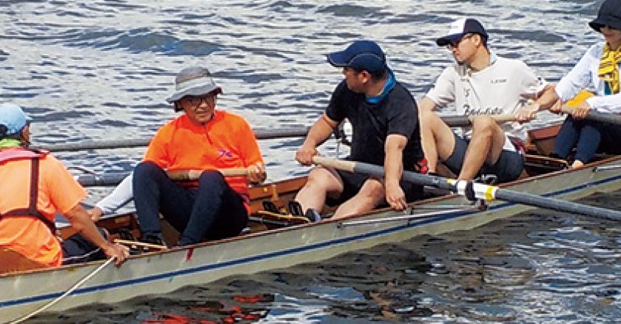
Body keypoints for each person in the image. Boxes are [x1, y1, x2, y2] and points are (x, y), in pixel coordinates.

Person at [0, 103, 129, 267]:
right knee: (101, 234)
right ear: (25, 131)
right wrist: (107, 247)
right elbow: (76, 215)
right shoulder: (46, 164)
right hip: (40, 259)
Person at [132, 66, 267, 247]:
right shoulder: (168, 132)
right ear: (181, 104)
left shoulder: (236, 125)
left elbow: (257, 171)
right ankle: (151, 238)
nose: (203, 105)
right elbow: (144, 179)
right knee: (144, 169)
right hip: (188, 209)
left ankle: (187, 244)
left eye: (208, 97)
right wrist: (101, 209)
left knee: (211, 177)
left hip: (228, 213)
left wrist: (256, 174)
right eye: (194, 100)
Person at [294, 40, 426, 219]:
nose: (343, 73)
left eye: (346, 69)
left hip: (402, 175)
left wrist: (392, 184)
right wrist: (309, 144)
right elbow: (327, 121)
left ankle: (331, 227)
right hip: (360, 166)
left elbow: (394, 148)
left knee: (373, 187)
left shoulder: (401, 103)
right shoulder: (347, 90)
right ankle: (298, 221)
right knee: (319, 175)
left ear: (364, 76)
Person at [517, 0, 621, 169]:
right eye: (602, 25)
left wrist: (591, 103)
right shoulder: (595, 52)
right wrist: (541, 104)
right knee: (577, 116)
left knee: (593, 116)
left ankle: (578, 166)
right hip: (604, 122)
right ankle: (556, 160)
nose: (605, 30)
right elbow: (570, 83)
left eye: (611, 26)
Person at [420, 17, 545, 183]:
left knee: (483, 122)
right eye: (450, 45)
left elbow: (550, 93)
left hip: (505, 154)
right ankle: (428, 178)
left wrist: (534, 107)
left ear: (476, 40)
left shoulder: (513, 68)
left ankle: (462, 185)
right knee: (424, 117)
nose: (453, 50)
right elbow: (424, 107)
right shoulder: (453, 73)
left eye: (457, 43)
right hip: (469, 149)